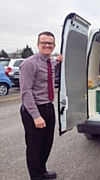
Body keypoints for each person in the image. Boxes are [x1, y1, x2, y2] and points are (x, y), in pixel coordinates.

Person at [19, 31, 63, 180]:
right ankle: (36, 177)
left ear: (54, 46)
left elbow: (52, 75)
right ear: (38, 45)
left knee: (46, 144)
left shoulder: (50, 62)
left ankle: (42, 171)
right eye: (44, 42)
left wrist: (59, 62)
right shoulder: (29, 63)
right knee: (34, 147)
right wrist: (36, 116)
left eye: (50, 43)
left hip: (48, 107)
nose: (47, 45)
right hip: (34, 110)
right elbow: (26, 92)